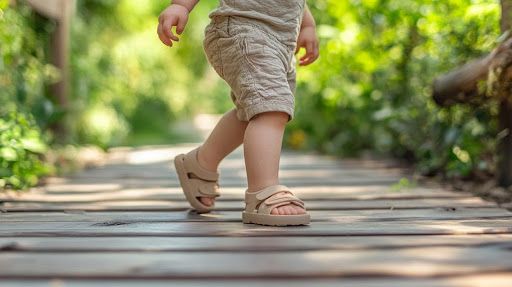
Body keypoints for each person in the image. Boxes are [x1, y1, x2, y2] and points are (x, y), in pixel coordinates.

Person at [157, 0, 319, 226]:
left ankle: (201, 162)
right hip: (243, 29)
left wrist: (307, 26)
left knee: (257, 110)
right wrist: (181, 6)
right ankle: (263, 190)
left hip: (282, 44)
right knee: (270, 108)